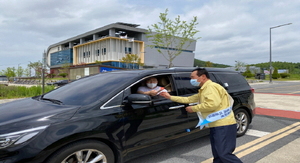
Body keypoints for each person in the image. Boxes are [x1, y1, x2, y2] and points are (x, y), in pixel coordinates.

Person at [160, 68, 242, 163]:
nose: (191, 80)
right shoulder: (204, 89)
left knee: (224, 154)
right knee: (218, 154)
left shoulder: (211, 87)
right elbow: (188, 99)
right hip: (217, 124)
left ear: (203, 77)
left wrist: (193, 108)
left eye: (192, 77)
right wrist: (169, 97)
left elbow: (212, 104)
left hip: (223, 125)